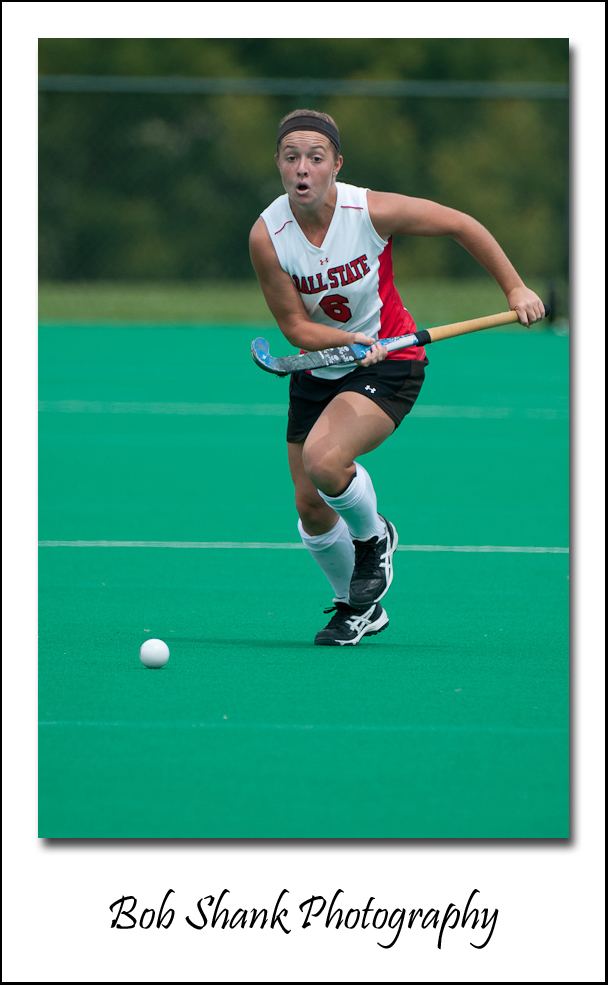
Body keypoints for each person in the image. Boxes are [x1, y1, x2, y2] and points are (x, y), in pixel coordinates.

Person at [249, 109, 545, 646]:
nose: (303, 169)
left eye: (316, 157)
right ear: (278, 163)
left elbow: (460, 223)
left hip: (390, 362)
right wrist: (344, 341)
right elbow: (295, 325)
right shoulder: (268, 235)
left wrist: (515, 288)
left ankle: (374, 537)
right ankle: (357, 609)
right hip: (326, 366)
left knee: (324, 459)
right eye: (291, 157)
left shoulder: (369, 210)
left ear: (336, 164)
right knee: (310, 505)